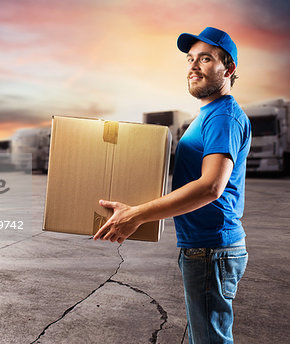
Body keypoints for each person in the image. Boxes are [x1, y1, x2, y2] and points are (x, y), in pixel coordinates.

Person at [93, 27, 251, 344]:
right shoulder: (207, 115)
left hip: (212, 248)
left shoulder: (223, 117)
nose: (193, 66)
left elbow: (210, 187)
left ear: (228, 68)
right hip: (202, 247)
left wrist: (137, 215)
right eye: (190, 59)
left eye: (205, 58)